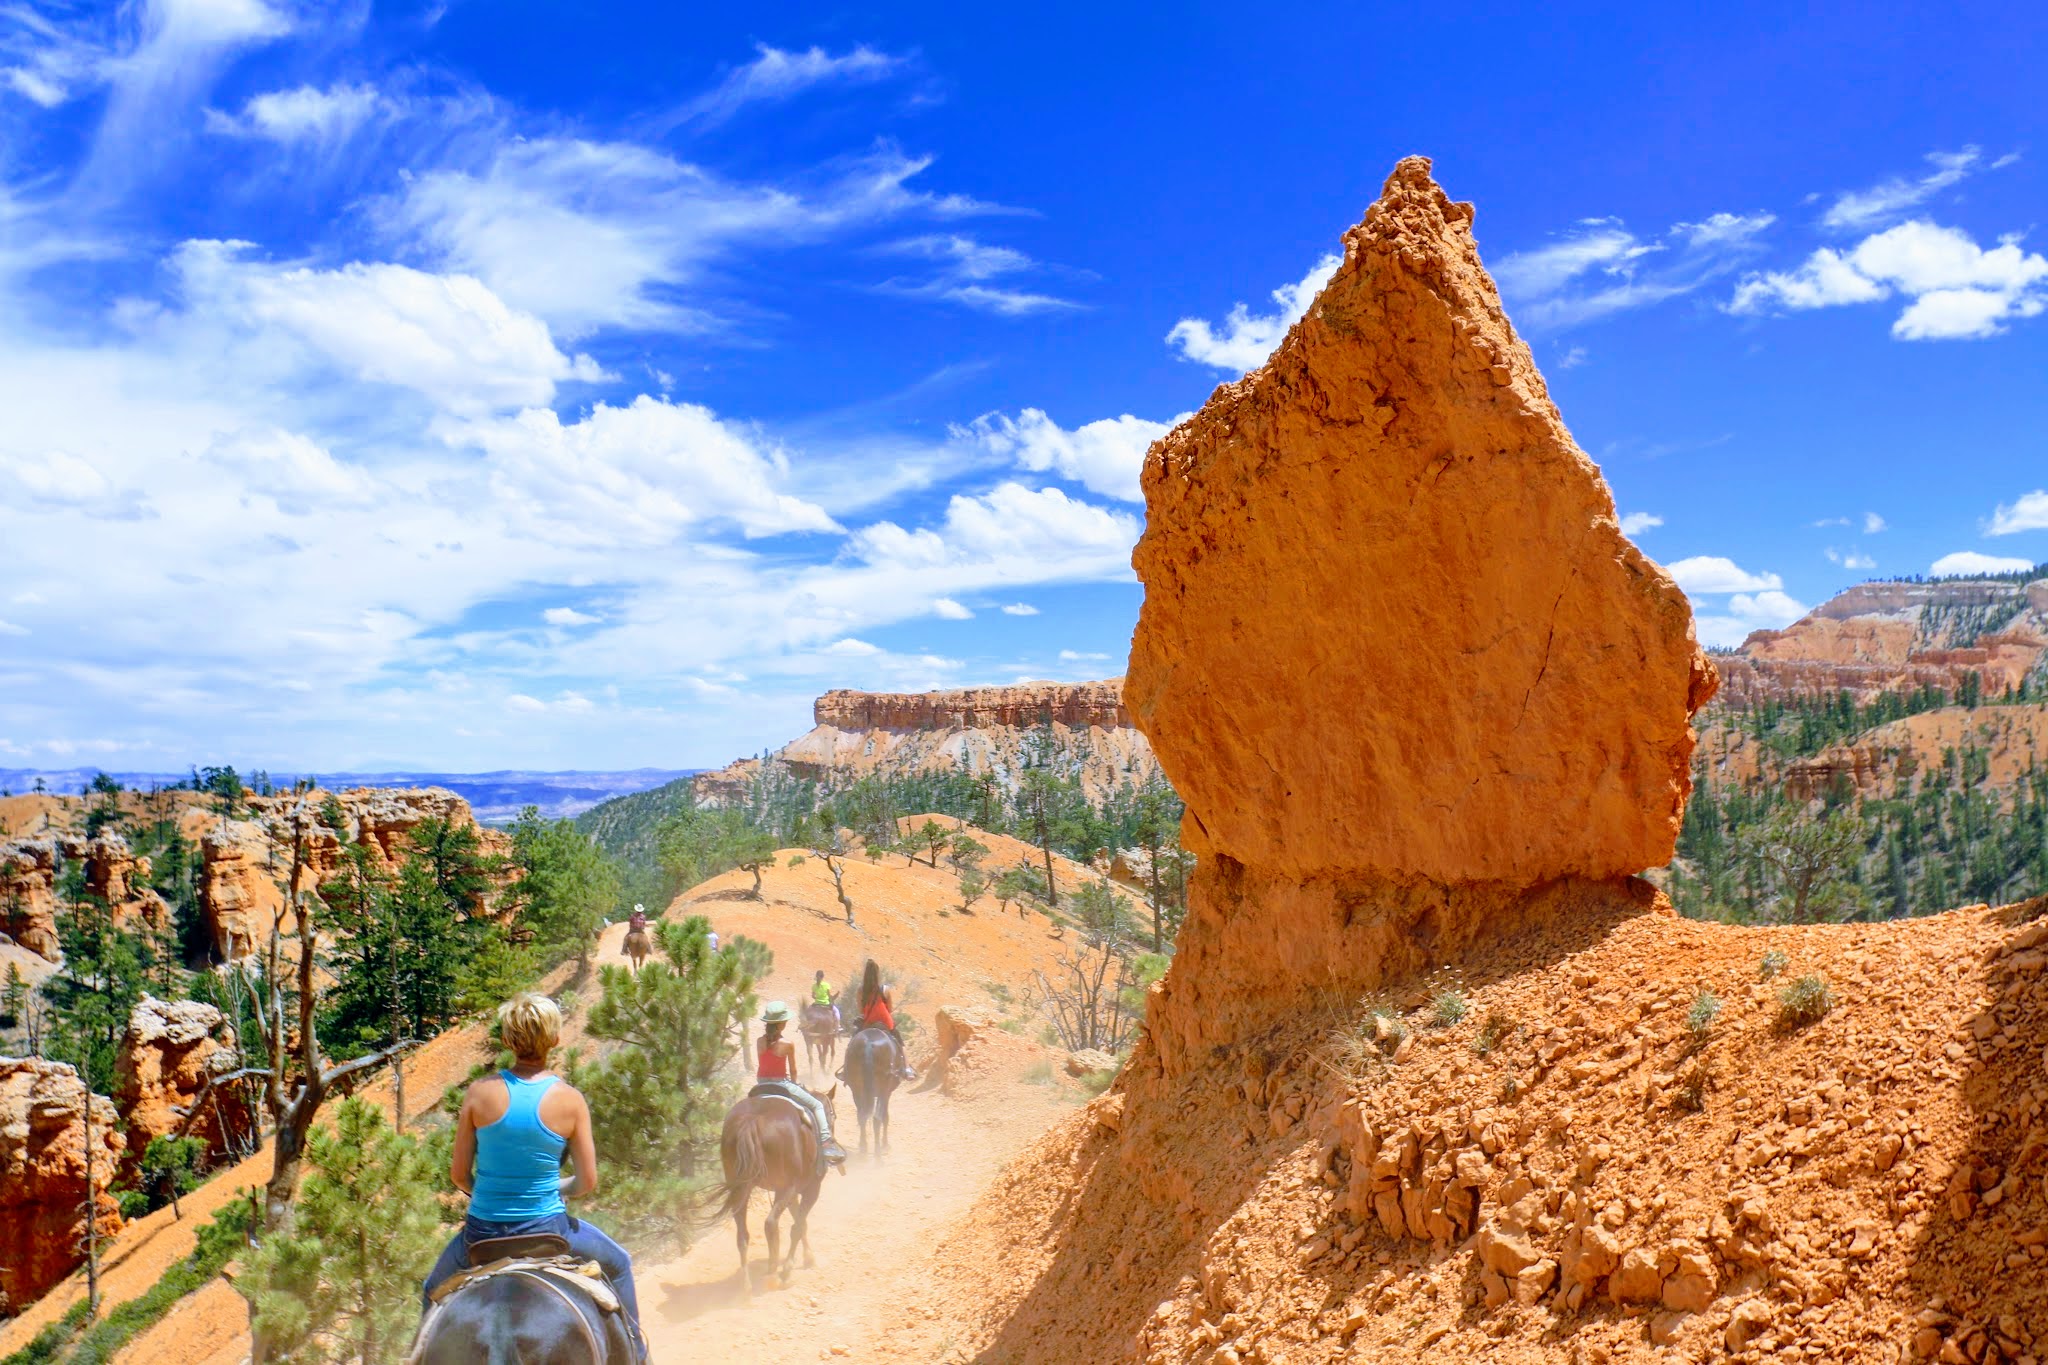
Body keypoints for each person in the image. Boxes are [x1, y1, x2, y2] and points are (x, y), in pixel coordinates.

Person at [424, 994, 646, 1361]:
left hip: (482, 1235)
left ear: (509, 1039)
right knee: (619, 1263)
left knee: (431, 1288)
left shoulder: (478, 1094)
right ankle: (638, 1355)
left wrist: (491, 1196)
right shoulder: (570, 1100)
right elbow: (586, 1182)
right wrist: (552, 1188)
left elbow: (459, 1174)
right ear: (555, 1039)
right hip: (546, 1230)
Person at [753, 1001, 847, 1171]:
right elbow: (793, 1071)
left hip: (760, 1084)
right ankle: (826, 1144)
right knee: (817, 1105)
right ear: (781, 1024)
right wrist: (794, 1083)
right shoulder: (787, 1044)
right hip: (781, 1083)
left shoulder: (759, 1041)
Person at [842, 958, 916, 1082]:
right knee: (899, 1043)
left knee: (852, 1043)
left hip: (868, 1023)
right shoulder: (885, 989)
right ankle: (907, 1069)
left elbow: (861, 1010)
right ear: (877, 974)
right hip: (885, 1023)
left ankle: (845, 1070)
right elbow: (890, 1009)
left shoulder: (861, 990)